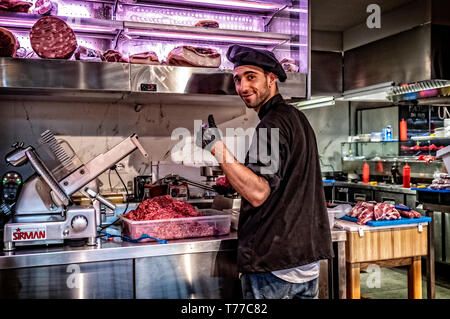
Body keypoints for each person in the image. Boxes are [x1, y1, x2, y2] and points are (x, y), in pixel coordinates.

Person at [196, 44, 333, 299]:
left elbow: (259, 192)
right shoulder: (296, 117)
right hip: (305, 263)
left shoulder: (271, 125)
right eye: (237, 79)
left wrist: (215, 146)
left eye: (251, 77)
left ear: (271, 79)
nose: (243, 87)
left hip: (275, 268)